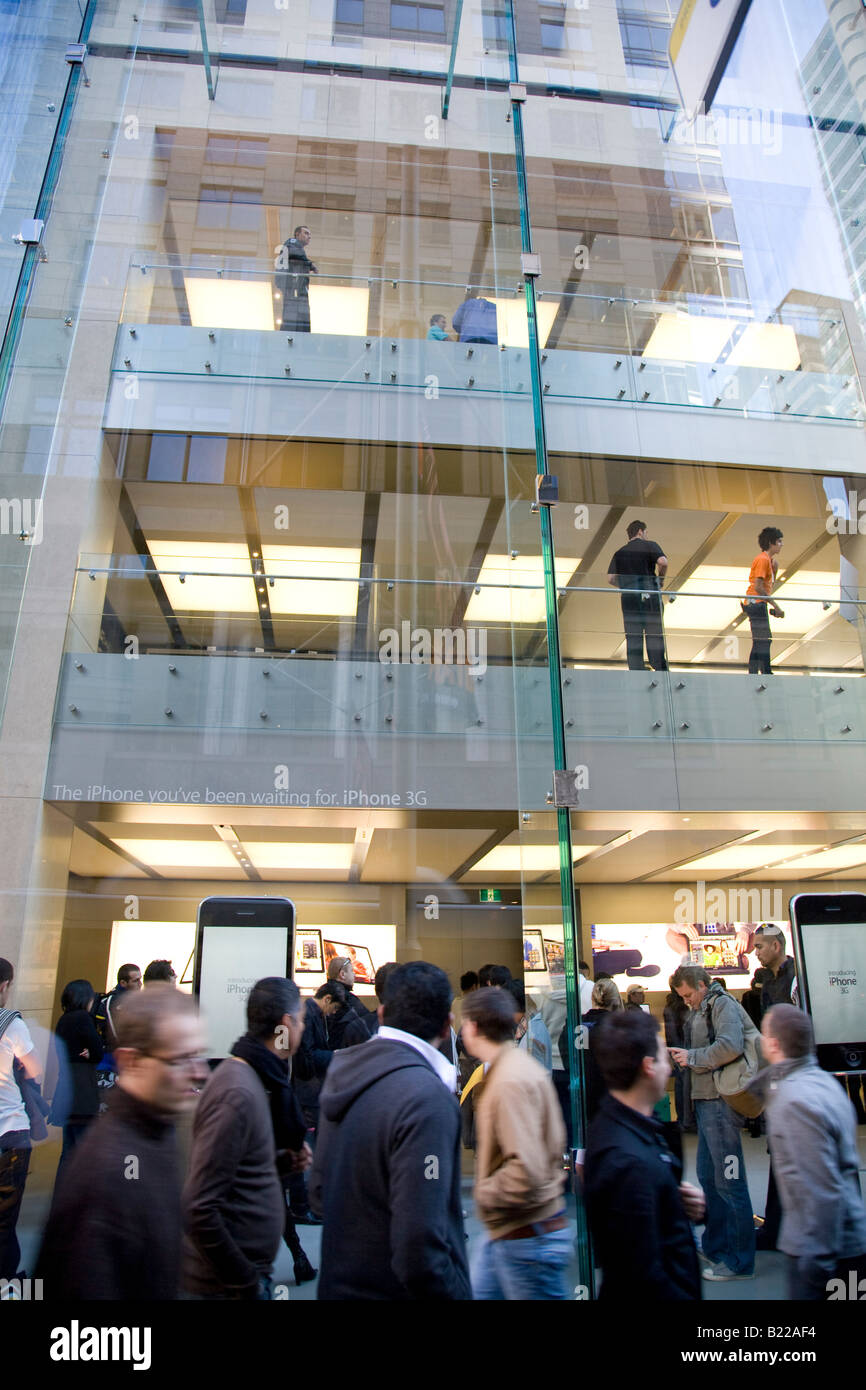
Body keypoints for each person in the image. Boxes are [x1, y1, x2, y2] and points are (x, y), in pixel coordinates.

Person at [309, 961, 471, 1300]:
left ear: (381, 1015)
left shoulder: (343, 1076)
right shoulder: (427, 1100)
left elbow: (320, 1195)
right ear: (447, 1026)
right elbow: (420, 1247)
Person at [36, 987, 206, 1299]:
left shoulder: (156, 1133)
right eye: (181, 1059)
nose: (198, 1072)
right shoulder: (110, 1170)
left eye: (198, 1055)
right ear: (133, 1062)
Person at [183, 977, 309, 1300]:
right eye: (303, 1020)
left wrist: (280, 1163)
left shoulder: (256, 1078)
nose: (304, 1030)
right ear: (286, 1023)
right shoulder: (237, 1091)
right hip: (229, 1286)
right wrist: (244, 1280)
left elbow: (238, 1173)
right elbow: (201, 1207)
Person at [584, 1010, 704, 1300]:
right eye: (664, 1059)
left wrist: (675, 1205)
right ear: (648, 1066)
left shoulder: (633, 1131)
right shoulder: (627, 1161)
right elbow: (642, 1275)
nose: (670, 1068)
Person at [462, 987, 570, 1300]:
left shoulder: (509, 1080)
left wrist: (485, 1192)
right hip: (516, 1233)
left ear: (474, 1026)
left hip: (528, 1237)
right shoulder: (514, 1069)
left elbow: (526, 1168)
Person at [760, 1004, 866, 1300]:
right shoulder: (825, 1084)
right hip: (847, 1240)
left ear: (774, 1043)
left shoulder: (794, 1100)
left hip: (822, 1252)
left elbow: (821, 1189)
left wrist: (816, 1266)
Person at [669, 965, 756, 1282]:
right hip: (708, 1103)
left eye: (689, 995)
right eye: (683, 997)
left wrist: (691, 1057)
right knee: (710, 1176)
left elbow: (731, 1045)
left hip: (720, 1104)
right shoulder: (707, 1006)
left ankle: (739, 1260)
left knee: (729, 1182)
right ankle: (719, 1247)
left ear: (703, 985)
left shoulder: (723, 1005)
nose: (687, 1001)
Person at [0, 959, 42, 1281]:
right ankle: (13, 1287)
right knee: (3, 1223)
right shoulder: (11, 1023)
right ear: (5, 986)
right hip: (10, 1132)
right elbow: (34, 1069)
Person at [50, 979, 104, 1167]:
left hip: (66, 1090)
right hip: (82, 1093)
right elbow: (98, 1051)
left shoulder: (63, 1019)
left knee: (68, 1152)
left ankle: (62, 1194)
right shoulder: (83, 1018)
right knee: (84, 1153)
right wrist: (90, 1053)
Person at [607, 519, 669, 671]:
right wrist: (659, 580)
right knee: (653, 631)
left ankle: (636, 668)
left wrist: (625, 585)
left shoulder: (619, 552)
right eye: (646, 532)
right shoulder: (650, 545)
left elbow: (610, 578)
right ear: (640, 531)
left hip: (628, 597)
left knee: (633, 633)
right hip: (649, 595)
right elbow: (663, 562)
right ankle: (658, 666)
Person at [742, 526, 784, 675]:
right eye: (779, 541)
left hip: (758, 603)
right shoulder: (762, 560)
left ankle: (757, 672)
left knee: (761, 640)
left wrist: (775, 570)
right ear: (771, 543)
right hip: (756, 602)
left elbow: (767, 586)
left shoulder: (770, 561)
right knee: (764, 640)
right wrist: (776, 606)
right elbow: (759, 587)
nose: (781, 545)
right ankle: (764, 672)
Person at [663, 981, 694, 1133]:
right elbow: (686, 1029)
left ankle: (682, 1119)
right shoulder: (681, 1007)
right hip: (683, 1047)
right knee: (686, 1086)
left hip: (674, 1048)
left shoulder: (668, 1006)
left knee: (679, 1086)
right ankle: (687, 1121)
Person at [276, 225, 318, 332]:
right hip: (293, 291)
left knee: (301, 320)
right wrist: (310, 265)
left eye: (310, 235)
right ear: (297, 234)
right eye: (306, 233)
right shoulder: (291, 243)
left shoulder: (298, 249)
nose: (309, 237)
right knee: (292, 319)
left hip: (298, 291)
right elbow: (294, 253)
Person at [93, 962, 142, 1050]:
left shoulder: (133, 998)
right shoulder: (114, 1000)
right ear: (123, 983)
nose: (140, 984)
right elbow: (114, 1031)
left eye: (140, 979)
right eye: (135, 981)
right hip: (113, 1054)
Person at [326, 956, 374, 1033]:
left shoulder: (324, 995)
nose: (354, 975)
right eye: (352, 971)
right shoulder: (348, 998)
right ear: (342, 974)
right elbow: (368, 1021)